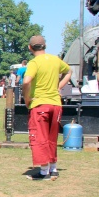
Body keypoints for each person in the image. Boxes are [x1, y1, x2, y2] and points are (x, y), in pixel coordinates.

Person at [22, 35, 71, 180]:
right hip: (56, 104)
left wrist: (27, 98)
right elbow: (69, 72)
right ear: (45, 46)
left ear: (30, 47)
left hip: (40, 104)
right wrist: (58, 87)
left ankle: (44, 171)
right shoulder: (55, 60)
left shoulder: (34, 62)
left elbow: (26, 81)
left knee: (39, 137)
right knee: (52, 137)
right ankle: (53, 168)